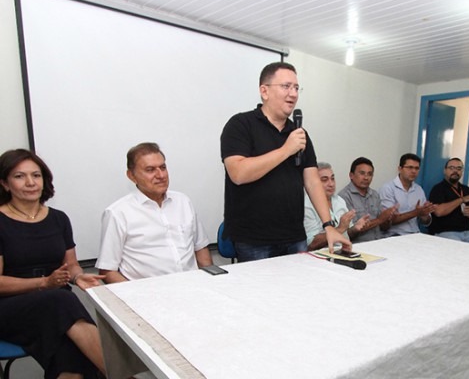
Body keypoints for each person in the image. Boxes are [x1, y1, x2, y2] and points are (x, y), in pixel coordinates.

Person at [220, 62, 350, 262]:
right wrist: (286, 150)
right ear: (264, 91)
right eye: (286, 86)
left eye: (296, 88)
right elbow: (238, 173)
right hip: (254, 240)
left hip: (294, 237)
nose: (293, 94)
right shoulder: (241, 125)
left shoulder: (299, 133)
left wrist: (328, 226)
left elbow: (313, 182)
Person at [0, 149, 106, 379]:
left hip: (55, 308)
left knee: (72, 360)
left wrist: (78, 277)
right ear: (5, 184)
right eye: (19, 176)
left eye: (36, 175)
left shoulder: (59, 218)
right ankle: (120, 374)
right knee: (61, 300)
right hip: (9, 308)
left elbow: (71, 265)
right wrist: (44, 283)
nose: (30, 182)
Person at [96, 142, 212, 283]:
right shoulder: (118, 213)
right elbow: (107, 271)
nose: (161, 175)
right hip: (148, 291)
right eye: (150, 170)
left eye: (163, 167)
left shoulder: (183, 201)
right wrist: (136, 294)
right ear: (132, 176)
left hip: (192, 285)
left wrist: (211, 283)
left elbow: (200, 248)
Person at [303, 162, 368, 251]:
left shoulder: (339, 201)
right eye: (324, 180)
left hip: (344, 250)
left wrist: (355, 228)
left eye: (332, 179)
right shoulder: (306, 205)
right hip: (322, 254)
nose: (331, 184)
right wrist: (340, 228)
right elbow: (311, 244)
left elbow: (346, 234)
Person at [428, 158, 469, 245]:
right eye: (451, 168)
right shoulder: (438, 189)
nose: (455, 171)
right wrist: (461, 200)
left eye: (459, 168)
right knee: (459, 249)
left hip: (467, 233)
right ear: (445, 170)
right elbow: (439, 212)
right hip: (445, 232)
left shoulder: (466, 189)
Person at [338, 157, 396, 243]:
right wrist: (380, 219)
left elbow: (383, 227)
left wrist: (387, 219)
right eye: (362, 173)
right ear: (351, 175)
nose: (366, 178)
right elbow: (350, 231)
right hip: (358, 245)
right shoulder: (344, 197)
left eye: (370, 174)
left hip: (379, 242)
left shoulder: (375, 195)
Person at [379, 153, 435, 236]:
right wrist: (416, 212)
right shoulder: (388, 188)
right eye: (410, 167)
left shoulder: (419, 189)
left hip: (415, 234)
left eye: (417, 168)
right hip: (394, 234)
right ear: (400, 169)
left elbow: (426, 222)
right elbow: (386, 220)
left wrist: (425, 214)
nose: (414, 171)